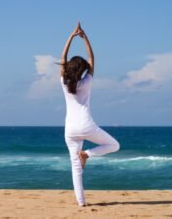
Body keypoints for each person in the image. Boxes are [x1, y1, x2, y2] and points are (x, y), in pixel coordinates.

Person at [59, 22, 120, 207]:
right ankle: (86, 154)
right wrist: (84, 37)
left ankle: (81, 203)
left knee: (75, 167)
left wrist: (70, 36)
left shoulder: (64, 81)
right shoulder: (87, 81)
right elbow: (92, 59)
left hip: (70, 129)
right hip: (86, 125)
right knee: (113, 145)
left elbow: (63, 59)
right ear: (82, 69)